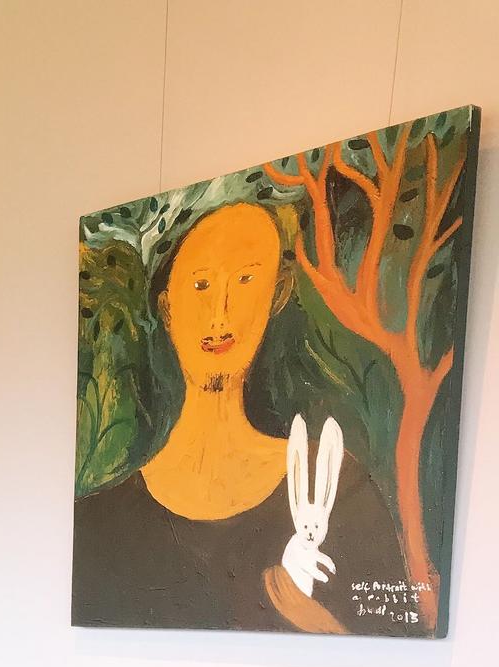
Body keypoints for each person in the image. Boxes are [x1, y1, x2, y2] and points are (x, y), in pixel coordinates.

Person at [72, 202, 412, 635]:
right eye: (201, 285)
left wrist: (315, 622)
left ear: (277, 295)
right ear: (168, 307)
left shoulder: (337, 491)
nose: (221, 311)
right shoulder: (99, 523)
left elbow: (396, 644)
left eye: (246, 280)